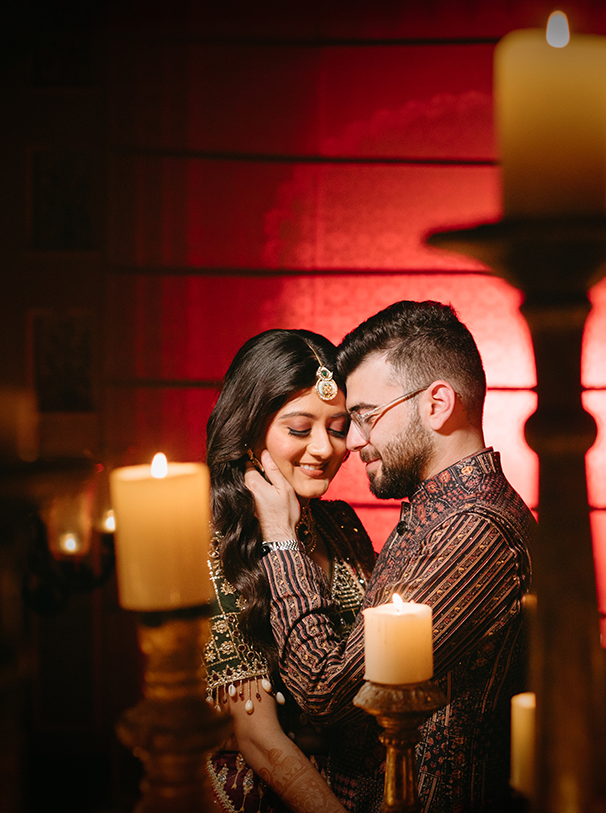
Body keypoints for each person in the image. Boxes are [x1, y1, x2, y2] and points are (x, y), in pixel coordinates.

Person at [247, 301, 535, 812]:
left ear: (437, 404)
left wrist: (281, 541)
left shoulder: (474, 532)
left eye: (364, 417)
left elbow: (324, 691)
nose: (351, 442)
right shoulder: (434, 517)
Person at [204, 329, 376, 813]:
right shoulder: (215, 543)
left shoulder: (340, 524)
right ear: (249, 431)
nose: (324, 448)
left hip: (354, 778)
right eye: (300, 429)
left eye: (338, 428)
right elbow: (258, 739)